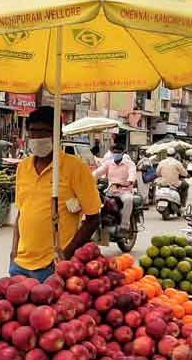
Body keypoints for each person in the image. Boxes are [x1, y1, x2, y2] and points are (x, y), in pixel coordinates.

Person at [11, 106, 101, 282]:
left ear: (57, 134)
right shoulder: (23, 167)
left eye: (43, 132)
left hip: (52, 267)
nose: (37, 137)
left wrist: (66, 256)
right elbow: (21, 213)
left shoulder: (75, 168)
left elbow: (93, 218)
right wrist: (13, 252)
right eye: (33, 132)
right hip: (19, 265)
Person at [94, 138, 137, 234]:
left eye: (118, 152)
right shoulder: (109, 163)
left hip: (124, 191)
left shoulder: (129, 164)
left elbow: (132, 174)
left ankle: (124, 226)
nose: (116, 154)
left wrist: (129, 182)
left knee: (128, 199)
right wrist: (88, 177)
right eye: (114, 152)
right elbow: (97, 172)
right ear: (112, 153)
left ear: (122, 153)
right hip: (110, 191)